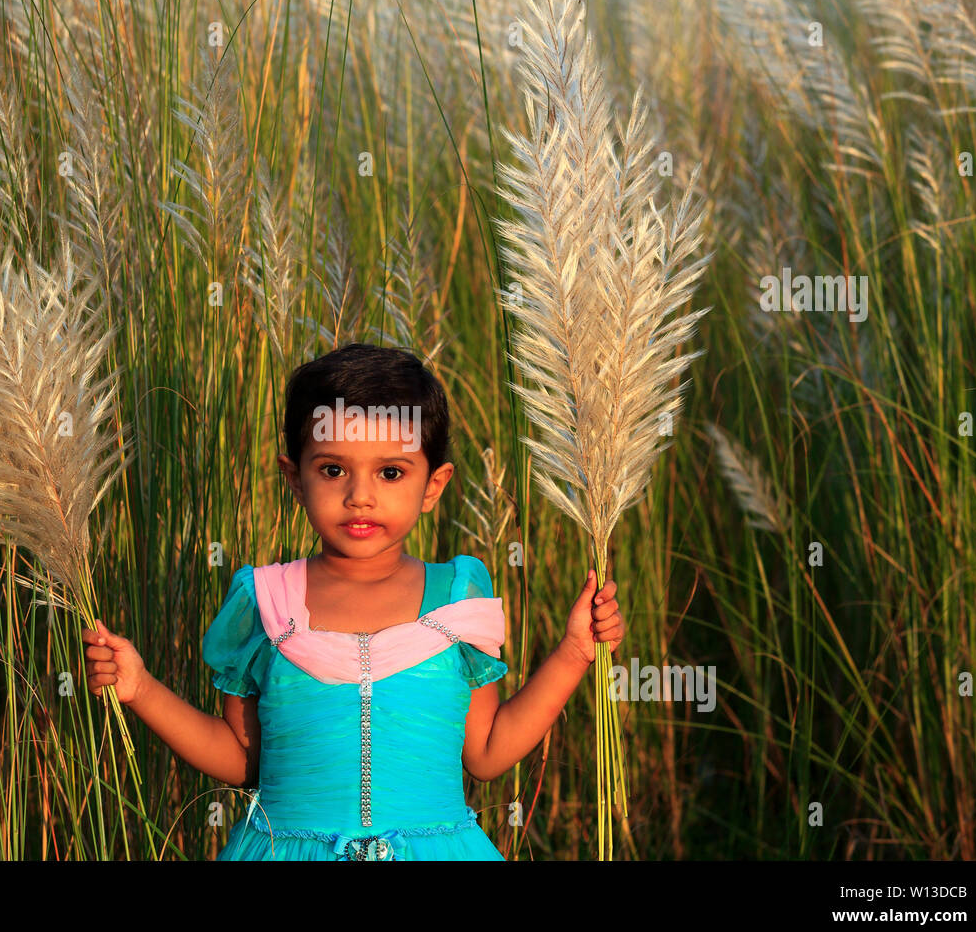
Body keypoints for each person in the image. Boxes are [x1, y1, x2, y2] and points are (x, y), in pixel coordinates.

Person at [82, 342, 625, 859]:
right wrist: (140, 689)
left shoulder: (457, 597)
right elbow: (239, 759)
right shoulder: (265, 601)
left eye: (391, 472)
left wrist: (575, 652)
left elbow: (487, 752)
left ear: (433, 485)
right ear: (295, 478)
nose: (359, 494)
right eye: (333, 469)